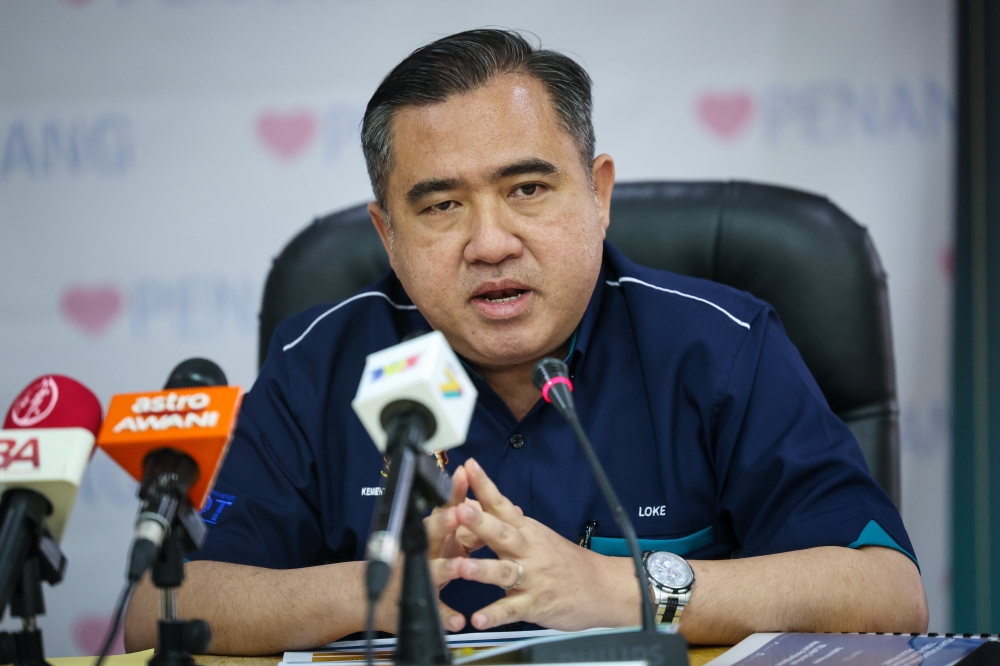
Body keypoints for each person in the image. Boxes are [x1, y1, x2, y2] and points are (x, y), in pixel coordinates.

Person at [124, 28, 928, 655]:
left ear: (599, 194)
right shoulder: (320, 363)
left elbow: (888, 592)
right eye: (442, 206)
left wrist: (624, 589)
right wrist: (371, 588)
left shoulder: (720, 347)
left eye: (528, 189)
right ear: (388, 234)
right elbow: (158, 610)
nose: (490, 242)